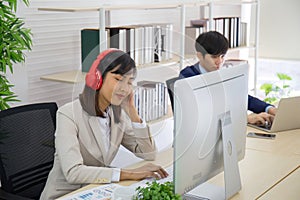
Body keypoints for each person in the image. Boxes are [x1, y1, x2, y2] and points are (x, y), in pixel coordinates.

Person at [40, 49, 168, 200]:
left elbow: (148, 153)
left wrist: (133, 113)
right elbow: (73, 172)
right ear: (97, 78)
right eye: (118, 79)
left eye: (129, 82)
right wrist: (130, 174)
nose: (124, 88)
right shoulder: (68, 114)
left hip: (98, 190)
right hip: (67, 195)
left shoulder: (116, 113)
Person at [180, 31, 277, 126]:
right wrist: (244, 119)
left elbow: (241, 97)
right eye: (214, 57)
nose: (220, 61)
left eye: (222, 56)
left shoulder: (222, 73)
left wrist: (269, 109)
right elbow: (204, 113)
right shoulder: (187, 77)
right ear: (200, 56)